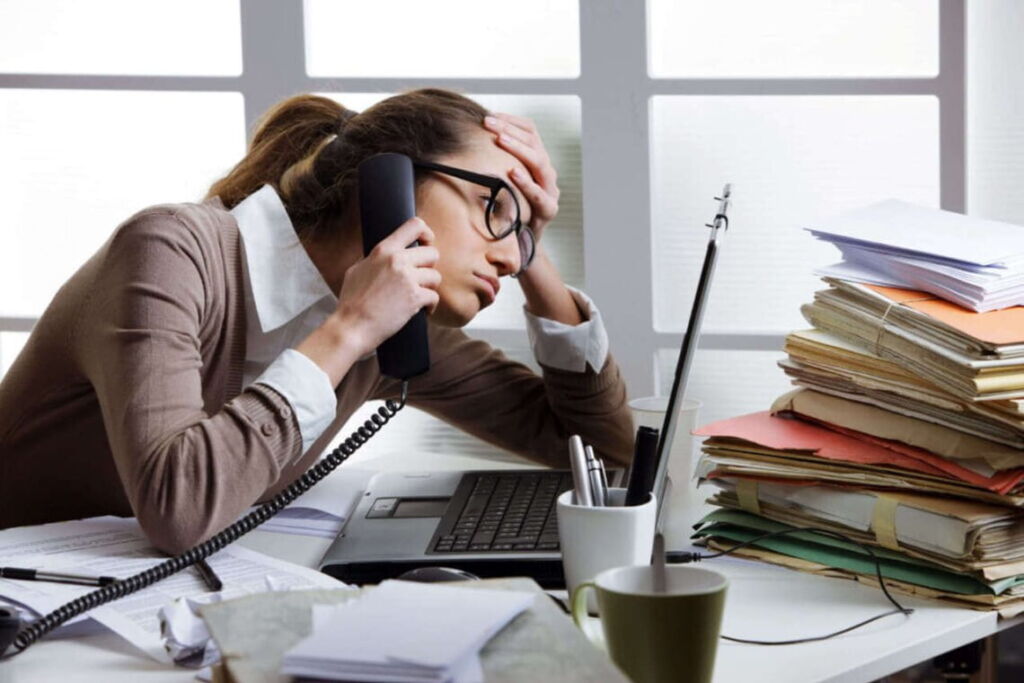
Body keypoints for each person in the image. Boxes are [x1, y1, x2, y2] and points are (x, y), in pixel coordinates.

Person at [0, 89, 633, 554]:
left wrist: (536, 261)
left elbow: (600, 454)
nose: (506, 250)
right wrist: (349, 330)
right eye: (492, 208)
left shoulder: (401, 322)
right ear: (388, 181)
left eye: (522, 231)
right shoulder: (169, 251)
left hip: (137, 606)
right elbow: (179, 509)